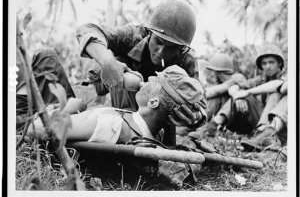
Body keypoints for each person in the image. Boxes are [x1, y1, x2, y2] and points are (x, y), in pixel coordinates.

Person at [76, 1, 207, 140]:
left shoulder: (186, 59)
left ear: (181, 49)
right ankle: (127, 130)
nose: (161, 52)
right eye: (159, 42)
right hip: (111, 89)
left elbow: (200, 105)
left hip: (155, 116)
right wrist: (108, 62)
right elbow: (86, 30)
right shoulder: (134, 36)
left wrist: (195, 116)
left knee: (170, 99)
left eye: (171, 48)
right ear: (149, 33)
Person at [29, 65, 206, 148]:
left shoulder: (111, 124)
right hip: (74, 116)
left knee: (46, 58)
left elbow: (35, 130)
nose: (145, 81)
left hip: (35, 117)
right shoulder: (158, 133)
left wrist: (65, 109)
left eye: (152, 82)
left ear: (153, 102)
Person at [230, 44, 287, 151]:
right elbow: (233, 87)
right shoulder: (259, 80)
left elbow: (278, 85)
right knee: (242, 95)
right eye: (264, 63)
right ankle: (213, 126)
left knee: (275, 94)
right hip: (260, 122)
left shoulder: (286, 77)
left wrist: (247, 92)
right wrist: (237, 96)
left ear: (279, 63)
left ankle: (265, 134)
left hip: (281, 125)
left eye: (271, 62)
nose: (268, 66)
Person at [190, 53, 261, 138]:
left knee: (229, 96)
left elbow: (237, 88)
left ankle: (212, 125)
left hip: (246, 119)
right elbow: (206, 94)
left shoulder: (237, 77)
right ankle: (199, 125)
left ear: (219, 73)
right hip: (230, 122)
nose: (213, 75)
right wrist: (227, 87)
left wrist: (236, 96)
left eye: (215, 72)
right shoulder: (224, 83)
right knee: (216, 98)